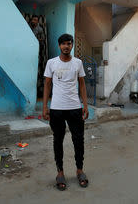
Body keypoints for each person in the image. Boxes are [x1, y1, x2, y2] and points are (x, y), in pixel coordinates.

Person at [43, 33, 89, 191]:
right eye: (63, 44)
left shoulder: (78, 63)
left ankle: (79, 170)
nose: (66, 46)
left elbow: (82, 84)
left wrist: (85, 105)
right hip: (56, 108)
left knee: (79, 140)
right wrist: (45, 107)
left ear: (72, 45)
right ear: (59, 46)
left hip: (75, 108)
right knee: (58, 140)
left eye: (69, 43)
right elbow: (47, 85)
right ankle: (60, 172)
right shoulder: (51, 63)